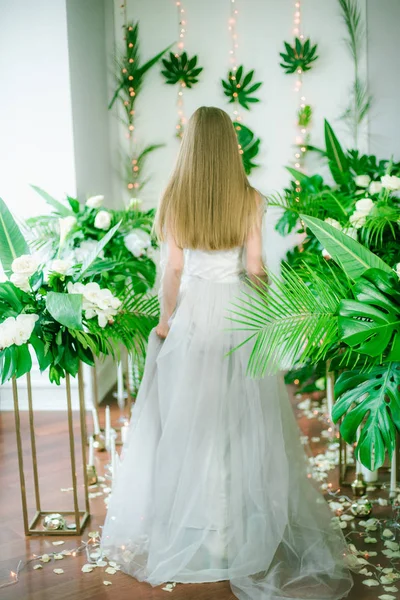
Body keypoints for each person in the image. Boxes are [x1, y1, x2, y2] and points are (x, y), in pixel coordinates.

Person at [101, 106, 353, 599]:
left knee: (193, 423)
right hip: (238, 318)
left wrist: (166, 320)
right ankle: (236, 529)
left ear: (191, 146)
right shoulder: (250, 198)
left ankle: (202, 528)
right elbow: (255, 267)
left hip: (194, 317)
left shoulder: (175, 197)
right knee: (240, 424)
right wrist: (265, 312)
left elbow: (172, 271)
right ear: (230, 146)